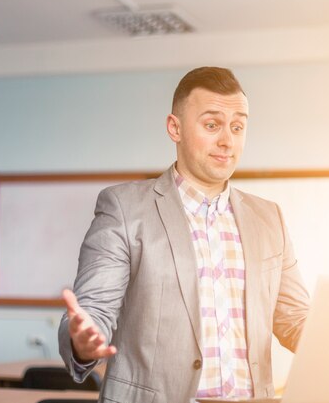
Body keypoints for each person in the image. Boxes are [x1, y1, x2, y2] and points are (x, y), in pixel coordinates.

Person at [58, 66, 310, 403]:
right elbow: (93, 311)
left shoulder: (269, 217)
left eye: (237, 127)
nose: (227, 140)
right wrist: (83, 339)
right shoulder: (124, 208)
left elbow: (294, 319)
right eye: (211, 125)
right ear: (174, 128)